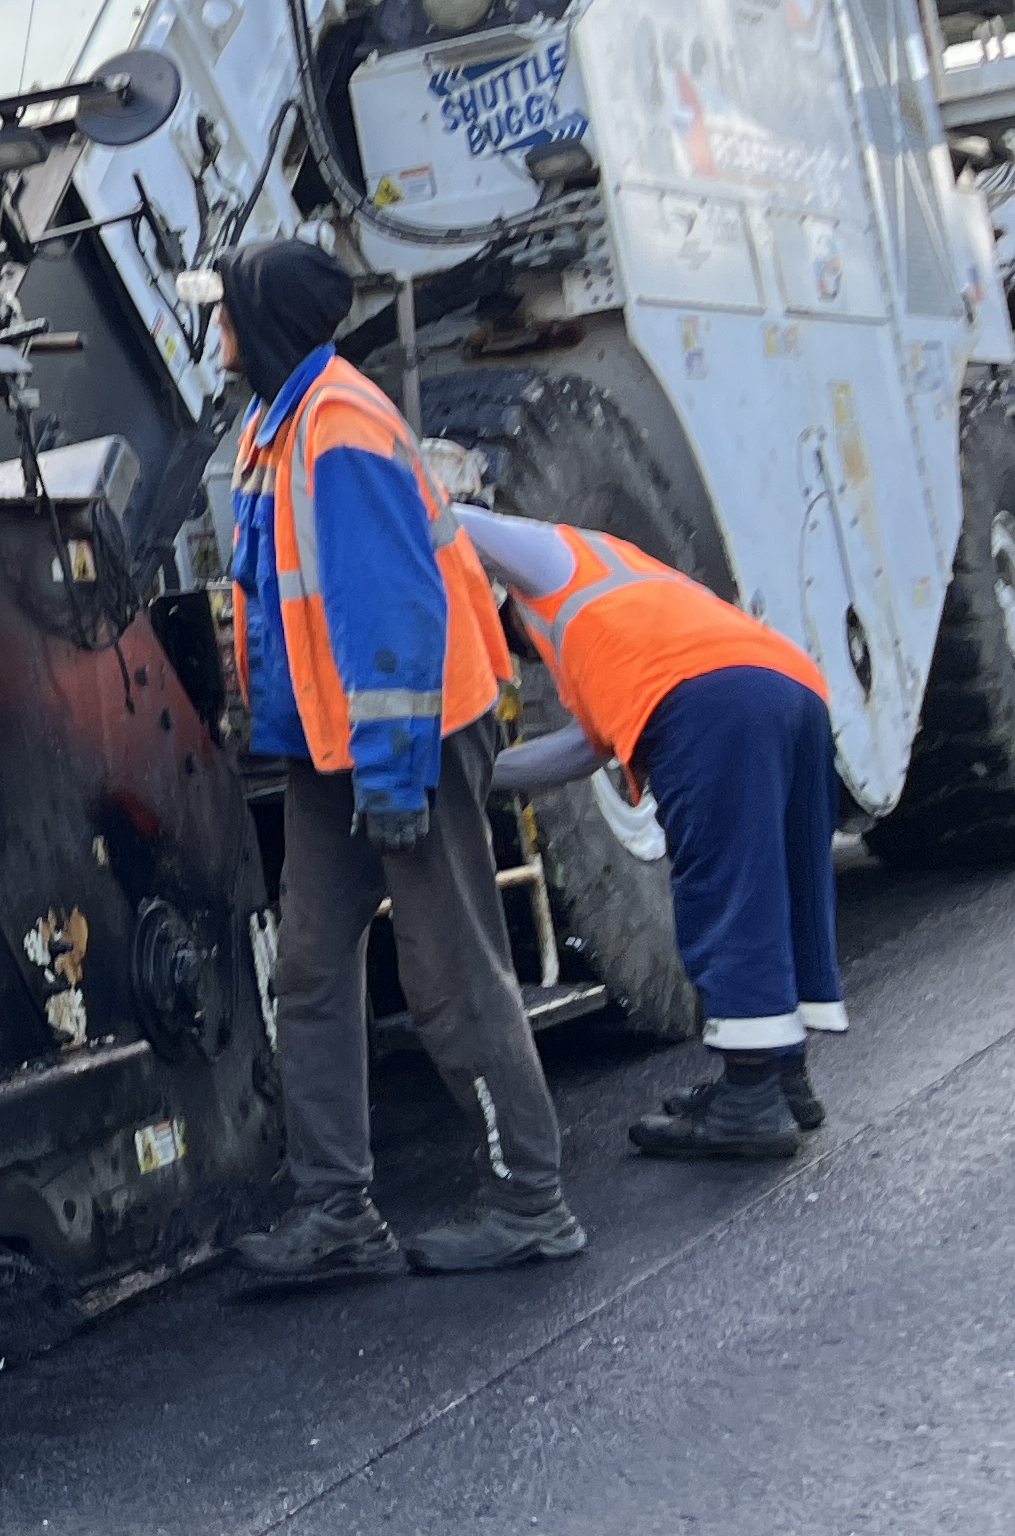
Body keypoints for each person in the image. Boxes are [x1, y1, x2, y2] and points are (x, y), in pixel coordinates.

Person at [212, 238, 585, 1285]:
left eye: (227, 309)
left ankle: (533, 1200)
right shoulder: (274, 423)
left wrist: (388, 778)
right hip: (334, 746)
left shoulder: (337, 428)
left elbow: (394, 619)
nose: (216, 329)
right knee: (313, 969)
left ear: (266, 321)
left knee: (450, 972)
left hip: (406, 736)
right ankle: (338, 1214)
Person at [460, 506, 844, 1158]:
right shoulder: (618, 607)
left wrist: (390, 498)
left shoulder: (550, 564)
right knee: (782, 886)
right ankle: (783, 1076)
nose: (511, 664)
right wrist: (474, 776)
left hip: (711, 701)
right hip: (788, 687)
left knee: (724, 888)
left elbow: (452, 519)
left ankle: (749, 1103)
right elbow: (585, 750)